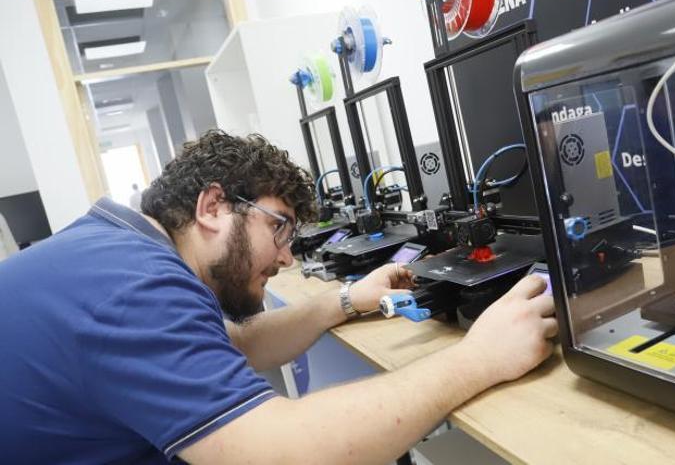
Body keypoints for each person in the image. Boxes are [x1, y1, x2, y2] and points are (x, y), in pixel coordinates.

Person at [0, 130, 557, 464]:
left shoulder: (113, 247)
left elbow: (232, 347)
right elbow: (281, 454)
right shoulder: (133, 284)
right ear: (213, 207)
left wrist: (343, 301)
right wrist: (479, 358)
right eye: (281, 229)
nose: (289, 257)